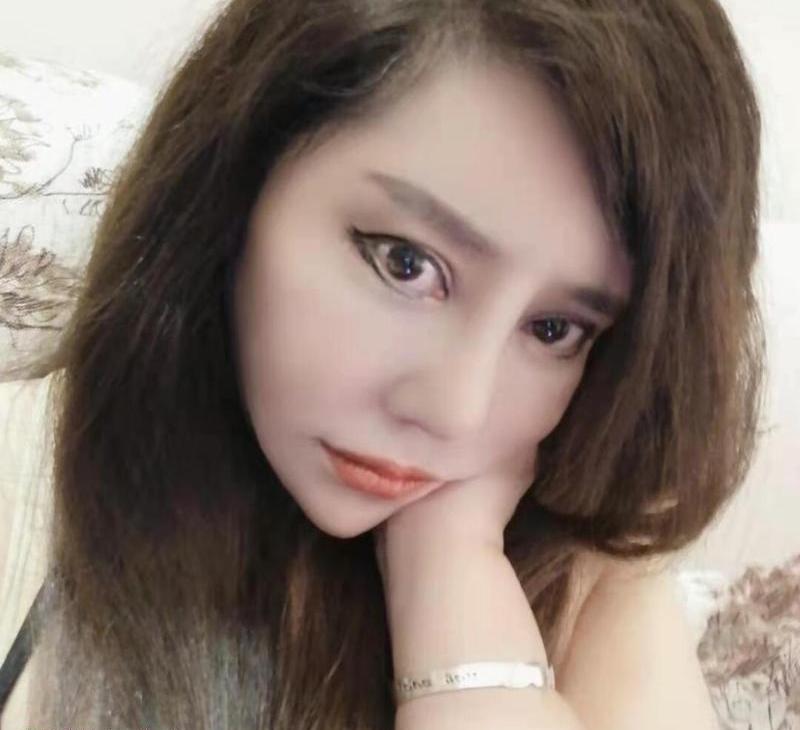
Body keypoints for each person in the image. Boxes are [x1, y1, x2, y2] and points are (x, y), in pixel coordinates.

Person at [0, 0, 763, 727]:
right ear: (239, 179)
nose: (457, 411)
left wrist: (454, 579)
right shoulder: (30, 467)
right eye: (406, 264)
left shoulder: (594, 581)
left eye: (554, 328)